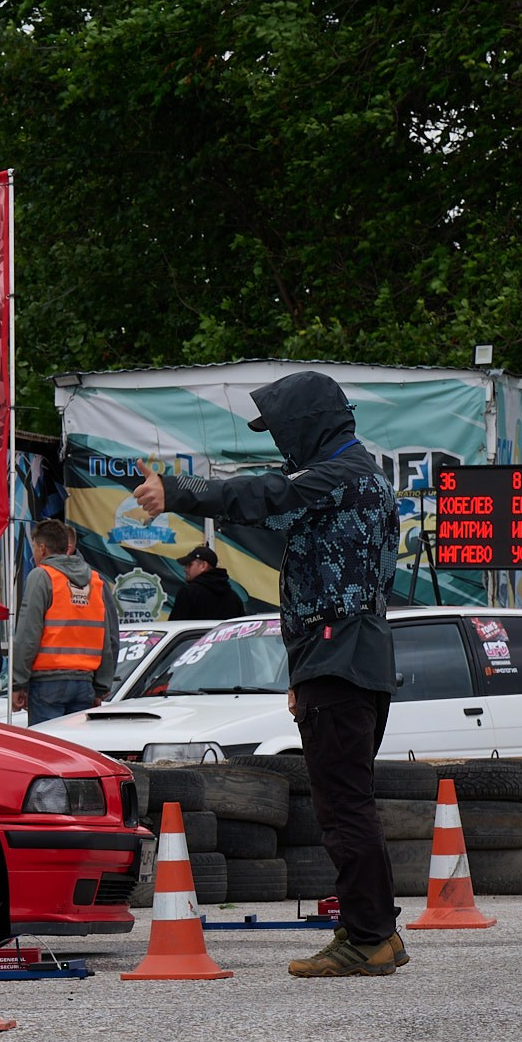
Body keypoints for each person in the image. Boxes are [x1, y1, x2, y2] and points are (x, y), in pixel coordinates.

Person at [132, 370, 404, 978]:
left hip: (339, 659)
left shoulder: (339, 477)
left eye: (282, 430)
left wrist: (179, 491)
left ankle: (368, 937)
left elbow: (265, 495)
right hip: (346, 657)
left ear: (306, 425)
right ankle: (374, 932)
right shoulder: (357, 478)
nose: (280, 444)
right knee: (348, 803)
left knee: (343, 808)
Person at [10, 519, 112, 724]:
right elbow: (108, 639)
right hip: (85, 683)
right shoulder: (95, 581)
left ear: (42, 548)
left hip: (48, 685)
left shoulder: (42, 576)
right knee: (75, 751)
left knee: (48, 751)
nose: (35, 555)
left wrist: (17, 684)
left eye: (34, 548)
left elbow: (28, 635)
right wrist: (101, 687)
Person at [170, 544, 245, 620]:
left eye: (189, 565)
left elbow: (174, 625)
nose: (185, 569)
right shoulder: (234, 598)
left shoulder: (188, 592)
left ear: (203, 566)